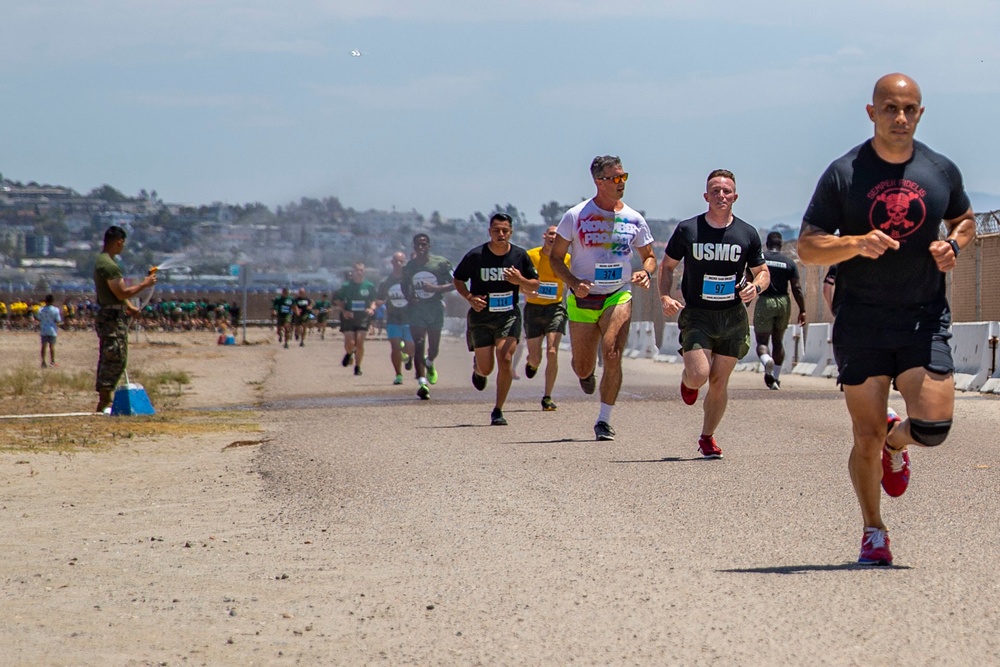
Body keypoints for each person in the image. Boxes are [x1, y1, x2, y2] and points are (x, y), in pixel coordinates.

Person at [797, 73, 976, 566]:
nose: (901, 117)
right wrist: (855, 242)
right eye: (891, 108)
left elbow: (966, 219)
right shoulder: (845, 174)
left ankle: (899, 444)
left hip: (923, 315)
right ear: (871, 111)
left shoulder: (940, 170)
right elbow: (809, 245)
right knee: (864, 434)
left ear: (921, 113)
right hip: (861, 318)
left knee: (935, 426)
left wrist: (953, 244)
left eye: (910, 109)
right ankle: (873, 530)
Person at [659, 169, 769, 459]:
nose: (722, 195)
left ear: (735, 196)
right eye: (716, 191)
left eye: (727, 191)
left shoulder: (747, 233)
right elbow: (667, 266)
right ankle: (687, 381)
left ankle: (707, 437)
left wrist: (755, 288)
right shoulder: (688, 230)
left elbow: (763, 272)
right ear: (706, 196)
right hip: (698, 315)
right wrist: (665, 296)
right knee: (699, 376)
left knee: (719, 382)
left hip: (733, 316)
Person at [550, 155, 657, 441]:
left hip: (618, 294)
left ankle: (604, 420)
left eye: (624, 177)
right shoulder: (575, 216)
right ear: (599, 181)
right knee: (583, 365)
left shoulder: (634, 218)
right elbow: (556, 258)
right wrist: (573, 282)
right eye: (616, 178)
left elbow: (649, 257)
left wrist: (645, 273)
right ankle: (586, 374)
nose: (622, 183)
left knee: (612, 352)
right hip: (583, 297)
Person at [453, 213, 540, 426]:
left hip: (508, 315)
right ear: (489, 231)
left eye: (505, 231)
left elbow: (534, 285)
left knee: (506, 357)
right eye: (496, 230)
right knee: (487, 368)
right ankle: (478, 368)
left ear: (511, 232)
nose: (501, 234)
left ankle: (498, 409)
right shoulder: (476, 256)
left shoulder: (520, 256)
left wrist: (520, 280)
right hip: (481, 316)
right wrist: (470, 297)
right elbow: (458, 279)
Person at [93, 225, 157, 413]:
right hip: (111, 317)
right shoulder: (109, 266)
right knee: (114, 357)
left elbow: (116, 296)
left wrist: (130, 308)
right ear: (119, 242)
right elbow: (120, 293)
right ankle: (105, 401)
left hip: (113, 313)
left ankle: (106, 400)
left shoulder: (103, 261)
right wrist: (145, 284)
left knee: (114, 356)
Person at [401, 233, 454, 400]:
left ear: (429, 246)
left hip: (435, 308)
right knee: (418, 344)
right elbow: (404, 286)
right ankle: (422, 383)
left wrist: (436, 289)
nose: (421, 247)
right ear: (414, 247)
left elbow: (455, 284)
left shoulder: (440, 264)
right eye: (417, 244)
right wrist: (410, 297)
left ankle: (429, 362)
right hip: (416, 310)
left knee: (434, 348)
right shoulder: (409, 267)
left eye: (424, 244)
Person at [524, 225, 571, 411]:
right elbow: (519, 281)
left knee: (552, 351)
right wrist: (527, 290)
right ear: (545, 235)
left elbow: (573, 280)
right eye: (551, 234)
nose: (554, 237)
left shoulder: (566, 258)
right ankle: (531, 362)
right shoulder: (531, 256)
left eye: (558, 235)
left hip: (555, 308)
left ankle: (547, 396)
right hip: (533, 309)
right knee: (536, 358)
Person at [754, 231, 806, 390]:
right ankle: (775, 377)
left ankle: (765, 360)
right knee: (778, 340)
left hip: (765, 301)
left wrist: (747, 301)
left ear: (767, 244)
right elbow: (796, 288)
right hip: (783, 302)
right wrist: (802, 309)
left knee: (763, 341)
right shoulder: (789, 262)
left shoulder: (760, 260)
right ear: (781, 245)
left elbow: (750, 280)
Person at [375, 251, 416, 385]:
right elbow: (379, 299)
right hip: (393, 318)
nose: (398, 264)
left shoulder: (409, 279)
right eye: (396, 261)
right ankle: (398, 374)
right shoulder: (386, 282)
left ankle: (409, 356)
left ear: (405, 263)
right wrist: (379, 303)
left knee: (411, 347)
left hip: (409, 317)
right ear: (392, 263)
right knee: (394, 347)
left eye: (401, 261)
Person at [335, 262, 377, 376]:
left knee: (359, 342)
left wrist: (371, 309)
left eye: (361, 270)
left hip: (363, 317)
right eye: (357, 270)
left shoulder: (369, 286)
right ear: (352, 272)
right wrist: (344, 311)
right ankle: (349, 353)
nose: (359, 272)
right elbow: (338, 300)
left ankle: (358, 367)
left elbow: (374, 300)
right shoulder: (346, 286)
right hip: (350, 317)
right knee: (350, 343)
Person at [36, 293, 62, 368]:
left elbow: (38, 318)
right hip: (52, 329)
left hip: (44, 329)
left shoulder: (41, 309)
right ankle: (52, 361)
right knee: (52, 346)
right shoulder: (56, 309)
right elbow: (58, 320)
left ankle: (43, 361)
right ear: (53, 301)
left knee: (44, 346)